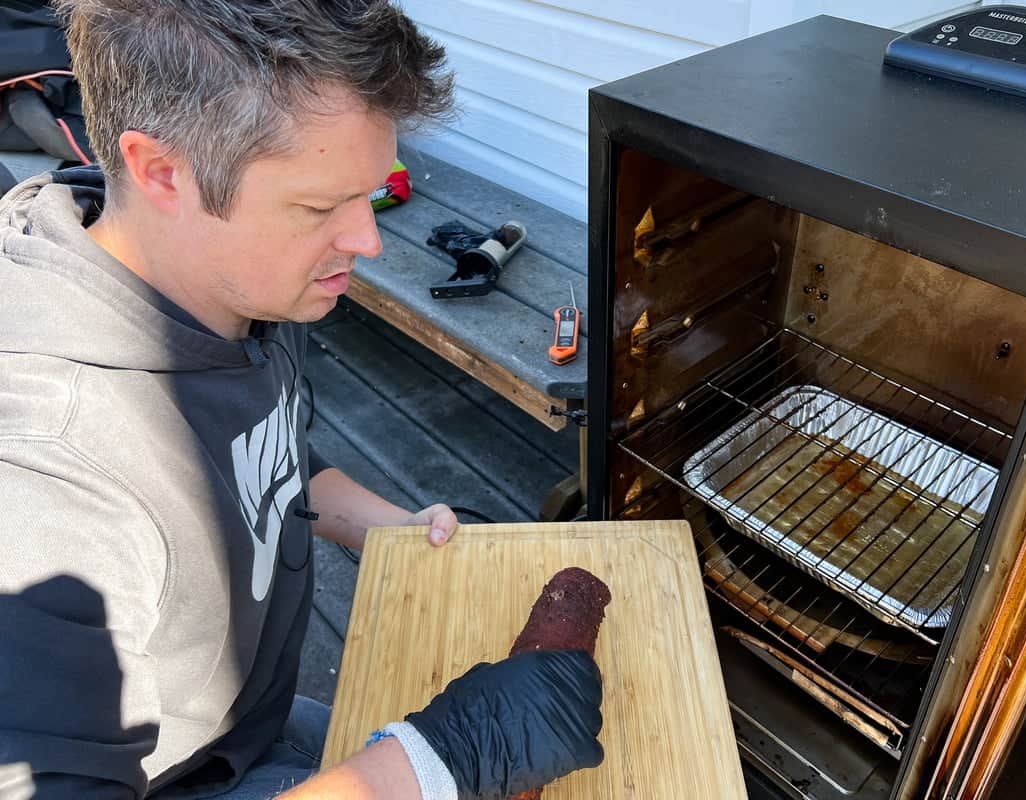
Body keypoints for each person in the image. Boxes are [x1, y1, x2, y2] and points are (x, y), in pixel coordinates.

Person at [0, 2, 604, 798]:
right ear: (162, 171)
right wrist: (445, 757)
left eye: (374, 192)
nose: (369, 240)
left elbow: (265, 449)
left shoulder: (228, 285)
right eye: (321, 207)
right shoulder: (48, 481)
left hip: (251, 719)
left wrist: (385, 527)